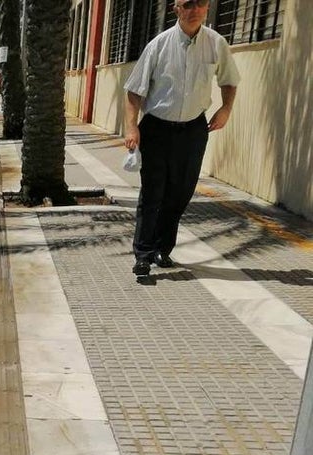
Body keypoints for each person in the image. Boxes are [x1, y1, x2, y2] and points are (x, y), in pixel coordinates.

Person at [123, 0, 239, 279]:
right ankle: (143, 255)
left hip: (193, 130)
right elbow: (134, 90)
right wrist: (131, 127)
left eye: (200, 3)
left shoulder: (216, 43)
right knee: (153, 192)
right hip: (157, 128)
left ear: (208, 7)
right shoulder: (159, 45)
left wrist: (225, 109)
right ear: (176, 9)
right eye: (188, 4)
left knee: (181, 192)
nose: (195, 9)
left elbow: (229, 80)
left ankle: (164, 248)